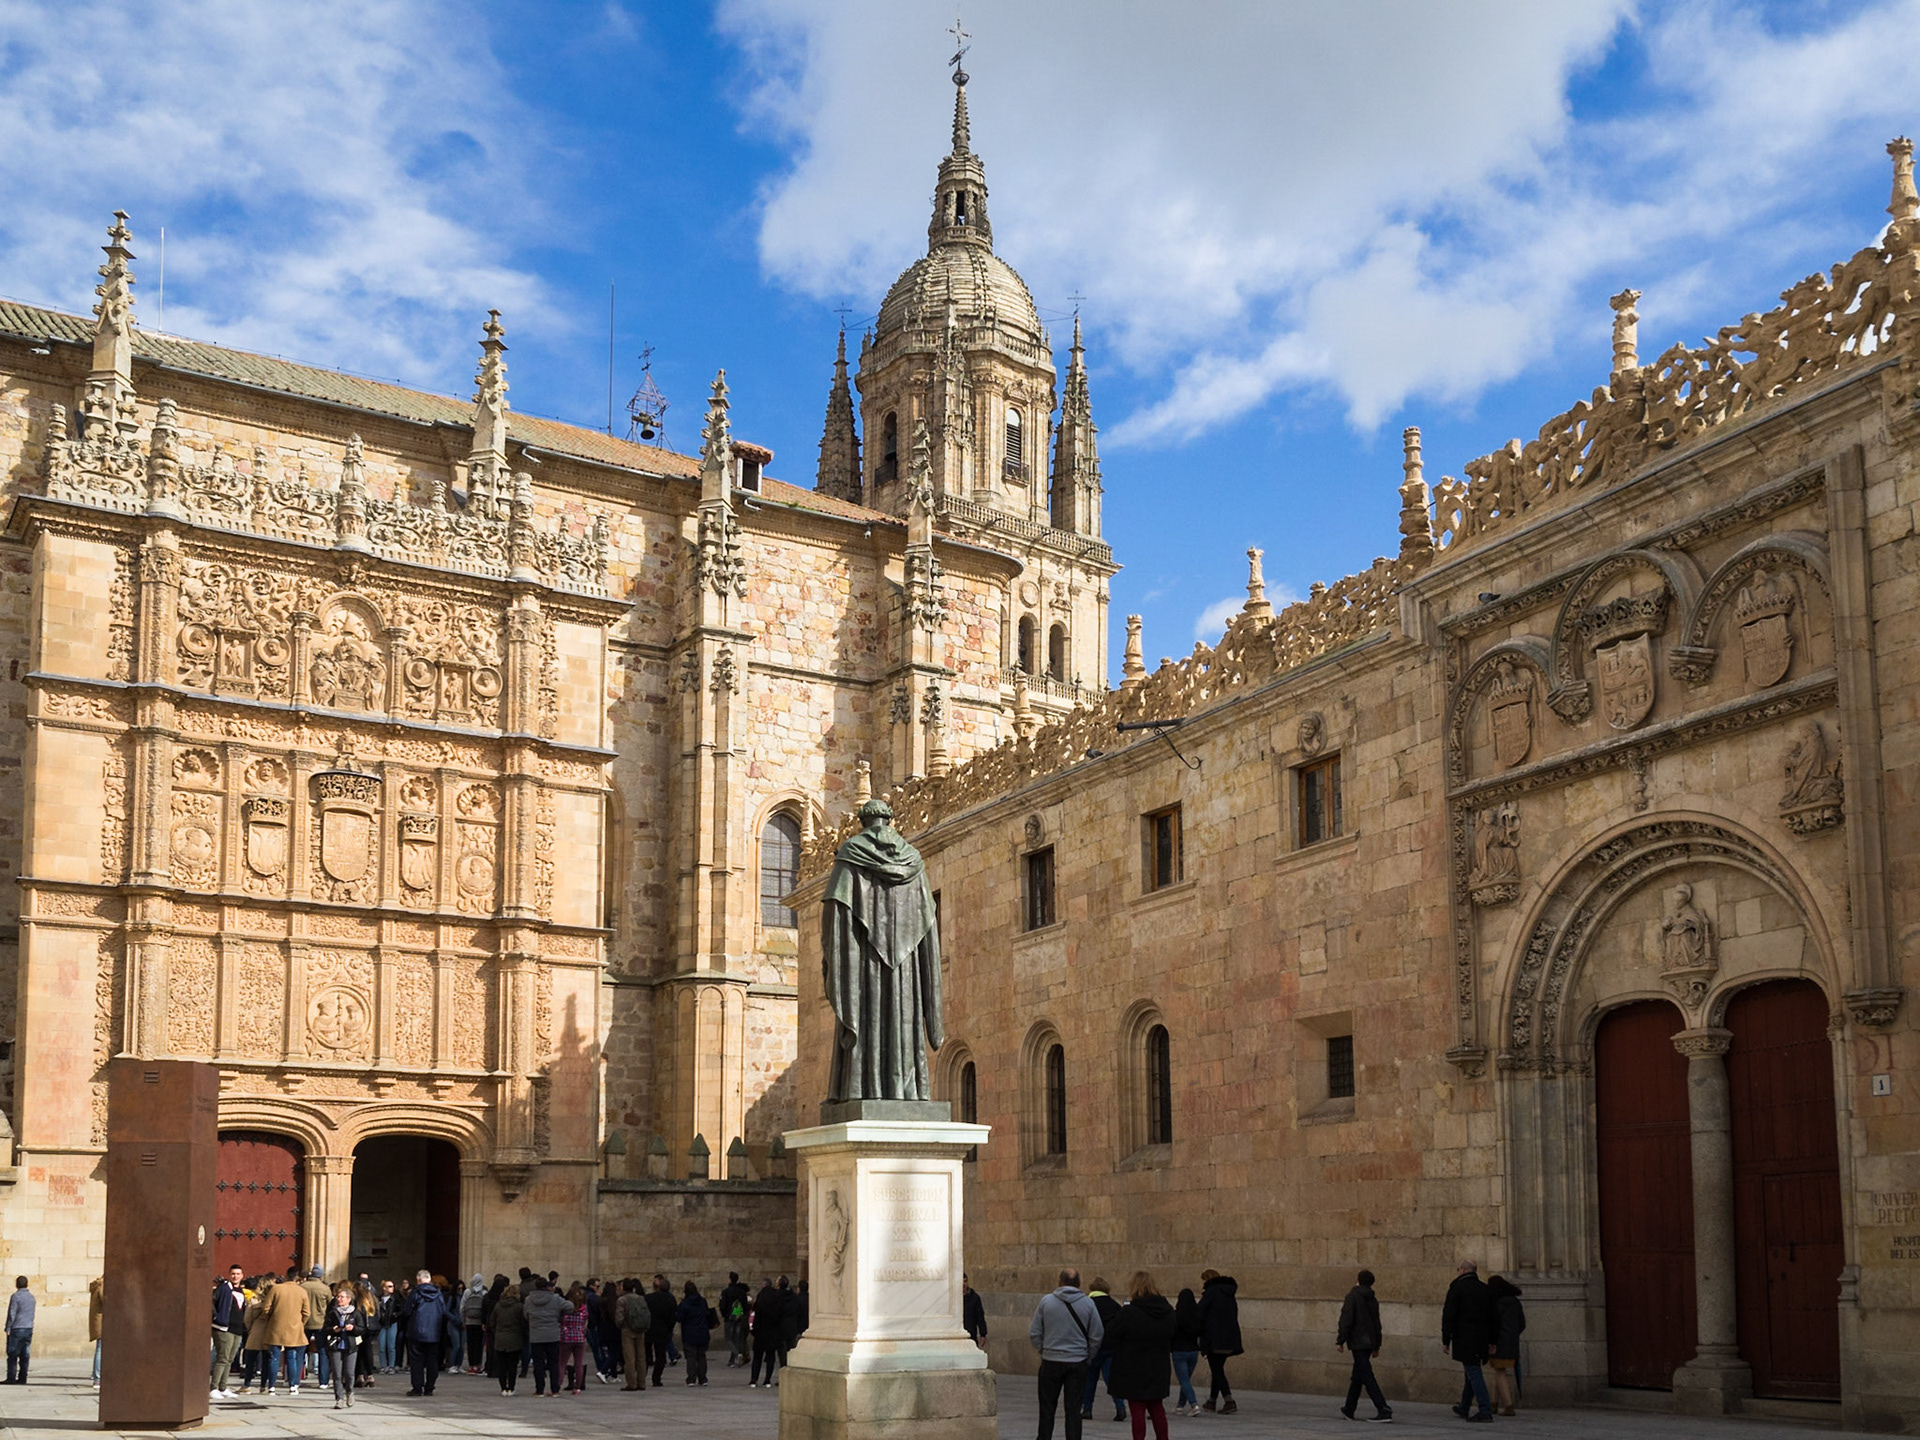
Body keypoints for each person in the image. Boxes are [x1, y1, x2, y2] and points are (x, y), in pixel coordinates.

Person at [1031, 1267, 1103, 1440]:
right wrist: (1088, 1355)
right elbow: (1097, 1334)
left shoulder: (1046, 1302)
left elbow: (1034, 1332)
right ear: (1079, 1284)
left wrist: (1044, 1350)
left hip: (1051, 1361)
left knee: (1047, 1409)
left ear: (1059, 1282)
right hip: (1078, 1362)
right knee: (1073, 1410)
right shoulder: (1088, 1303)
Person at [1107, 1271, 1177, 1440]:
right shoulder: (1167, 1311)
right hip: (1158, 1366)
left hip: (1133, 1367)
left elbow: (1111, 1332)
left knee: (1137, 1408)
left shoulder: (1129, 1312)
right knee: (1157, 1407)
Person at [1440, 1260, 1496, 1423]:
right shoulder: (1485, 1289)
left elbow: (1448, 1315)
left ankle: (1485, 1409)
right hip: (1481, 1337)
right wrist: (1493, 1340)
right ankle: (1464, 1406)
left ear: (1463, 1270)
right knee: (1470, 1371)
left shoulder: (1457, 1288)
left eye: (1459, 1269)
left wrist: (1446, 1339)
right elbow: (1494, 1317)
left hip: (1465, 1337)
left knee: (1473, 1371)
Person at [1335, 1268, 1392, 1423]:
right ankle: (1349, 1408)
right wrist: (1377, 1345)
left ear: (1358, 1280)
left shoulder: (1352, 1296)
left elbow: (1346, 1320)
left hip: (1358, 1341)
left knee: (1366, 1375)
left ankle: (1383, 1408)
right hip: (1369, 1341)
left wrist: (1340, 1341)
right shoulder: (1372, 1299)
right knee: (1358, 1376)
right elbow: (1377, 1323)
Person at [256, 1266, 312, 1395]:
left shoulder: (276, 1289)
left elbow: (266, 1308)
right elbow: (307, 1312)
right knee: (291, 1357)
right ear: (297, 1278)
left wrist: (271, 1319)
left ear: (286, 1275)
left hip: (276, 1327)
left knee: (274, 1358)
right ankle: (293, 1386)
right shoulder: (302, 1291)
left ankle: (272, 1386)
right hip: (294, 1327)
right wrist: (299, 1323)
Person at [1197, 1269, 1241, 1414]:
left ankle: (1229, 1401)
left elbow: (1200, 1312)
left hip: (1214, 1338)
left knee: (1216, 1370)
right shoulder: (1229, 1294)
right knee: (1217, 1369)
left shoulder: (1211, 1293)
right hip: (1229, 1338)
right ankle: (1212, 1400)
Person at [1081, 1277, 1125, 1421]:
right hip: (1111, 1347)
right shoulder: (1114, 1305)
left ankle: (1087, 1409)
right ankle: (1120, 1407)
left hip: (1093, 1347)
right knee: (1110, 1379)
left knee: (1090, 1380)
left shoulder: (1088, 1304)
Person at [402, 1268, 451, 1396]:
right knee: (432, 1360)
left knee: (416, 1361)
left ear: (419, 1279)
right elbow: (443, 1311)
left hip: (416, 1331)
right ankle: (430, 1387)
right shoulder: (438, 1293)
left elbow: (407, 1311)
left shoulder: (415, 1293)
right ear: (429, 1279)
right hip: (434, 1332)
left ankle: (417, 1388)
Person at [522, 1274, 571, 1397]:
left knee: (538, 1363)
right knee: (554, 1362)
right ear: (547, 1286)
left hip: (536, 1334)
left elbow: (525, 1315)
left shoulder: (529, 1300)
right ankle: (555, 1389)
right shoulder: (555, 1298)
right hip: (552, 1334)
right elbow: (570, 1307)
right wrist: (558, 1314)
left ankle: (539, 1390)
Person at [1487, 1275, 1526, 1417]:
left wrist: (1492, 1341)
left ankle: (1509, 1406)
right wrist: (1512, 1335)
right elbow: (1522, 1324)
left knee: (1499, 1372)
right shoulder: (1515, 1302)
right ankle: (1493, 1404)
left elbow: (1493, 1325)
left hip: (1498, 1343)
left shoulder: (1496, 1303)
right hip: (1511, 1343)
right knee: (1498, 1371)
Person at [322, 1283, 364, 1409]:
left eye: (342, 1297)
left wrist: (354, 1328)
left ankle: (350, 1392)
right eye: (338, 1297)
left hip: (351, 1345)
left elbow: (362, 1329)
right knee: (337, 1374)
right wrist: (333, 1329)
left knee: (349, 1373)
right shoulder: (333, 1313)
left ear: (349, 1299)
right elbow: (325, 1328)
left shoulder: (355, 1313)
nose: (339, 1299)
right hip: (336, 1345)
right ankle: (339, 1398)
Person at [211, 1263, 248, 1398]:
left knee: (230, 1359)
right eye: (233, 1274)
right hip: (224, 1328)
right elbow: (211, 1301)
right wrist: (216, 1317)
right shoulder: (224, 1288)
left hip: (237, 1329)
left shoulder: (241, 1291)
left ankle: (223, 1387)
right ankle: (213, 1387)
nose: (235, 1276)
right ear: (229, 1274)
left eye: (238, 1274)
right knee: (223, 1357)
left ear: (242, 1276)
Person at [1170, 1288, 1202, 1417]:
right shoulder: (1197, 1315)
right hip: (1193, 1351)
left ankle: (1194, 1405)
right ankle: (1180, 1406)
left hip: (1179, 1351)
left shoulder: (1176, 1315)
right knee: (1186, 1379)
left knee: (1184, 1380)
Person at [490, 1283, 526, 1395]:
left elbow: (492, 1322)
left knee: (502, 1365)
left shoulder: (498, 1306)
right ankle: (511, 1387)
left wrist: (497, 1332)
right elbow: (523, 1323)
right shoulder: (519, 1307)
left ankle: (503, 1388)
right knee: (512, 1365)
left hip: (500, 1338)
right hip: (514, 1338)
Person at [300, 1264, 333, 1388]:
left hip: (304, 1323)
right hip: (320, 1323)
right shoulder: (325, 1289)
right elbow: (330, 1305)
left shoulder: (302, 1287)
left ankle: (296, 1378)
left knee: (300, 1351)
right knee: (323, 1351)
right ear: (321, 1275)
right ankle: (323, 1381)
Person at [677, 1280, 714, 1386]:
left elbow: (679, 1318)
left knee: (691, 1356)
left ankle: (691, 1378)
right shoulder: (702, 1301)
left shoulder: (685, 1304)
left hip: (690, 1333)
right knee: (702, 1356)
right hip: (703, 1332)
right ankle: (703, 1378)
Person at [644, 1275, 678, 1387]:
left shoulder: (648, 1298)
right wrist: (669, 1328)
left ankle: (641, 1377)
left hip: (649, 1329)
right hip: (662, 1330)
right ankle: (656, 1379)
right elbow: (673, 1316)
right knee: (661, 1356)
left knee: (645, 1355)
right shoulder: (671, 1299)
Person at [617, 1278, 650, 1389]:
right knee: (641, 1357)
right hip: (640, 1329)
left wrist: (620, 1326)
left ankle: (632, 1383)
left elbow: (619, 1317)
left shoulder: (622, 1300)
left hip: (627, 1330)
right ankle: (642, 1383)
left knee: (629, 1358)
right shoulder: (640, 1298)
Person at [560, 1284, 593, 1393]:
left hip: (567, 1338)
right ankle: (578, 1386)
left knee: (562, 1363)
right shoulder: (584, 1309)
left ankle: (558, 1384)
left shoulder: (566, 1309)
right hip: (580, 1337)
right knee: (579, 1363)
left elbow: (562, 1321)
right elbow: (585, 1322)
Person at [749, 1278, 781, 1388]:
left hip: (760, 1332)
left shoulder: (760, 1297)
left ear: (763, 1285)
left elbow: (755, 1314)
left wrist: (753, 1330)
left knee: (757, 1357)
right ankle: (767, 1380)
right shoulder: (776, 1297)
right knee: (770, 1357)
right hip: (772, 1331)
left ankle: (754, 1379)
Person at [4, 1276, 34, 1385]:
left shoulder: (16, 1297)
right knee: (25, 1355)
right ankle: (22, 1378)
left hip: (17, 1328)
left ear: (17, 1284)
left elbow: (12, 1313)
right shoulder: (31, 1297)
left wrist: (8, 1327)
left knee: (12, 1354)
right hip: (28, 1328)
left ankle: (11, 1377)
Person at [720, 1272, 750, 1367]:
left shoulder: (726, 1292)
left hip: (729, 1317)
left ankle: (738, 1355)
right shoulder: (741, 1292)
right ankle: (733, 1360)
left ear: (730, 1279)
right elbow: (745, 1305)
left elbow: (722, 1305)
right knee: (737, 1338)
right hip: (739, 1317)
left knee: (729, 1338)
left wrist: (724, 1314)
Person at [461, 1274, 487, 1375]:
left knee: (470, 1344)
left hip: (469, 1321)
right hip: (479, 1322)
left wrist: (463, 1321)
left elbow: (462, 1308)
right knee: (479, 1344)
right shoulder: (484, 1293)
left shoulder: (467, 1292)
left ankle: (471, 1365)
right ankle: (478, 1365)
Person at [776, 1274, 803, 1371]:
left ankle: (783, 1371)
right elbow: (799, 1312)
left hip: (780, 1327)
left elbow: (776, 1312)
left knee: (782, 1352)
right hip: (792, 1327)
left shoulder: (777, 1296)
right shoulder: (794, 1297)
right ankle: (790, 1369)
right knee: (790, 1350)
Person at [376, 1278, 400, 1374]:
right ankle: (383, 1365)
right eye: (389, 1286)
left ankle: (391, 1366)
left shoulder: (395, 1298)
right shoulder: (378, 1298)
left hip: (392, 1323)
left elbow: (401, 1309)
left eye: (392, 1286)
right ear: (384, 1288)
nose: (392, 1288)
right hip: (381, 1324)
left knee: (391, 1346)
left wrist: (395, 1315)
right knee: (381, 1346)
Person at [963, 1274, 988, 1351]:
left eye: (965, 1281)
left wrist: (983, 1334)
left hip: (971, 1334)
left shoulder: (974, 1298)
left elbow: (980, 1316)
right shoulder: (953, 1299)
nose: (963, 1284)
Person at [88, 1277, 104, 1388]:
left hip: (99, 1322)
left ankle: (95, 1375)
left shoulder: (98, 1285)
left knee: (100, 1348)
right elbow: (106, 1300)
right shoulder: (102, 1285)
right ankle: (98, 1378)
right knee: (100, 1349)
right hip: (103, 1322)